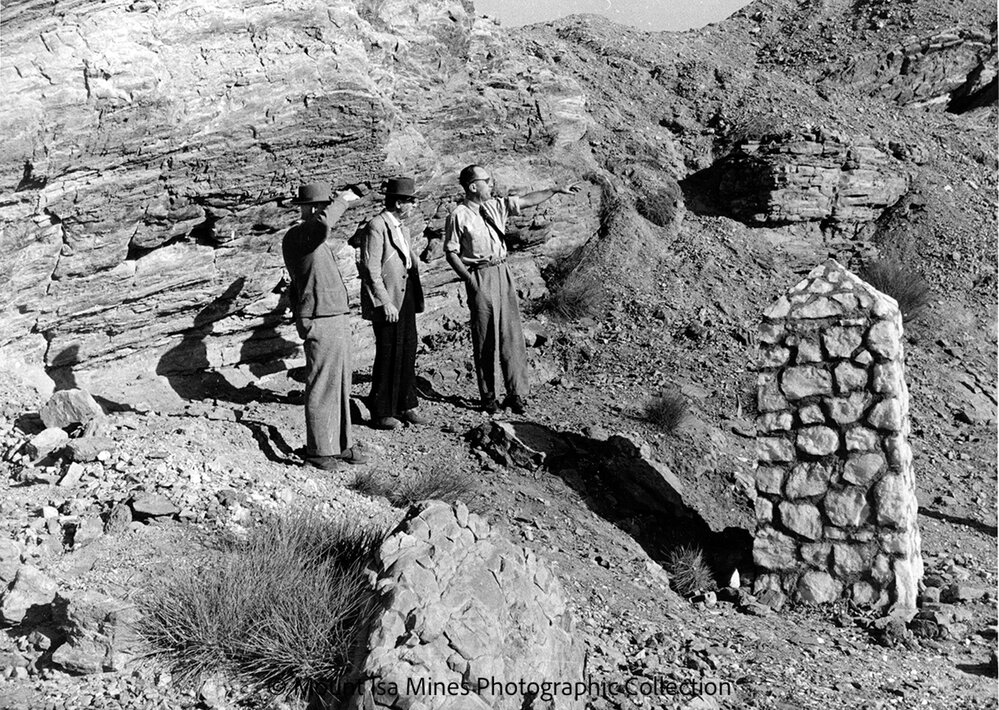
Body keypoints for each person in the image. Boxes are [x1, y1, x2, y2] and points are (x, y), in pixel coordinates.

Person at [444, 165, 579, 414]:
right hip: (480, 276)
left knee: (511, 334)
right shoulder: (458, 215)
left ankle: (515, 393)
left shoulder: (495, 206)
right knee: (485, 338)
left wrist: (555, 190)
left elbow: (527, 200)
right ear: (473, 186)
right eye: (487, 180)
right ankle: (488, 397)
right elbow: (451, 252)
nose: (491, 183)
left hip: (503, 272)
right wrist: (469, 280)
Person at [282, 181, 367, 470]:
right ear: (304, 208)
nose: (319, 210)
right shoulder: (299, 235)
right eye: (315, 206)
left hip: (334, 316)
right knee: (322, 385)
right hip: (321, 318)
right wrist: (342, 200)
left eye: (323, 205)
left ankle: (340, 444)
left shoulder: (313, 239)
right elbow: (321, 225)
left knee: (341, 384)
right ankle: (318, 449)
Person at [359, 176, 427, 430]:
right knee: (388, 351)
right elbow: (370, 268)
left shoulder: (402, 228)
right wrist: (384, 301)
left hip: (405, 293)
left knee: (408, 347)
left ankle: (406, 403)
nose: (412, 206)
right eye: (410, 201)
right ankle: (381, 411)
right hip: (389, 297)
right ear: (399, 203)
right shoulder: (377, 226)